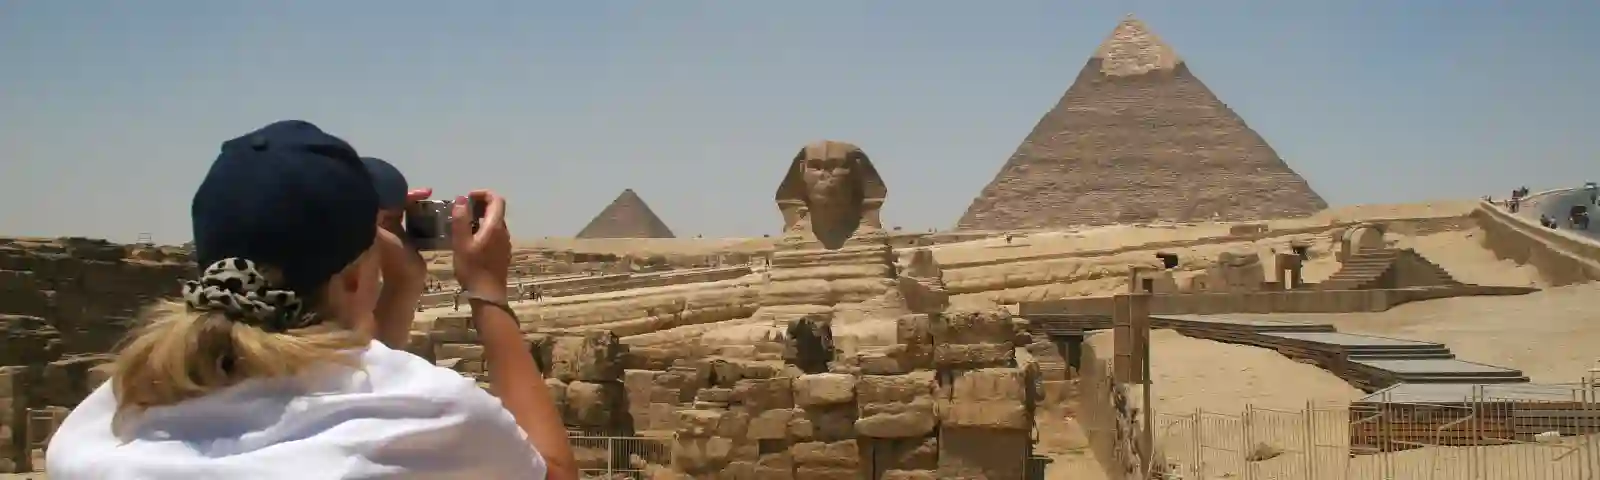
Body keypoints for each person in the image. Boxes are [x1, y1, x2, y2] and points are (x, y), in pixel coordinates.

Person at [45, 120, 578, 479]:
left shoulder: (99, 424)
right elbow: (550, 471)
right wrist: (486, 289)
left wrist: (398, 290)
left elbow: (336, 382)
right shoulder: (433, 412)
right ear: (353, 280)